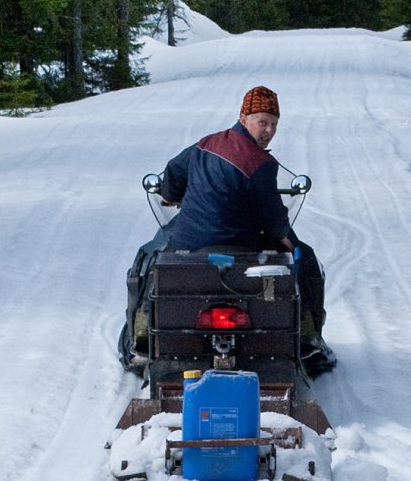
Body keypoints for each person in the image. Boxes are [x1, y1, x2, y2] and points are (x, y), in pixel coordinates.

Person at [119, 86, 331, 372]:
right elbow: (273, 220)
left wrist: (173, 196)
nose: (268, 130)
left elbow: (172, 174)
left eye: (273, 124)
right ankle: (307, 342)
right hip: (239, 249)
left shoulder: (205, 145)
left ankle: (141, 340)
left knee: (148, 257)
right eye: (262, 122)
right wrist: (291, 246)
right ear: (244, 118)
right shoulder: (262, 164)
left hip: (188, 247)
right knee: (305, 257)